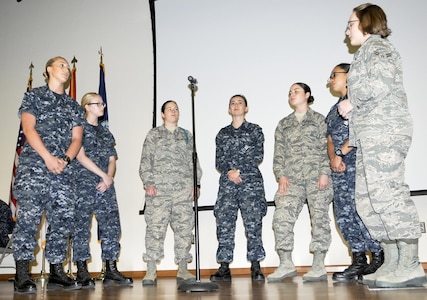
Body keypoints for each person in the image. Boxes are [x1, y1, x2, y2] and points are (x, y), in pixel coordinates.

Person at [338, 3, 426, 288]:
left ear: (365, 23)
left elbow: (381, 83)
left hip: (386, 132)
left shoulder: (378, 48)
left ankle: (411, 265)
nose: (347, 29)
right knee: (368, 200)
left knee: (388, 195)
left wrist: (353, 100)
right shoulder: (365, 53)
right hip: (370, 136)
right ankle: (392, 262)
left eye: (351, 23)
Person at [12, 56, 84, 293]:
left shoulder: (73, 106)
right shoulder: (33, 96)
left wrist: (64, 160)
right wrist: (47, 158)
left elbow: (76, 139)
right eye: (61, 64)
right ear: (49, 69)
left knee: (62, 221)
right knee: (29, 220)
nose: (66, 69)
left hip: (64, 173)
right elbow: (28, 128)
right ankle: (22, 274)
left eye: (67, 66)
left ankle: (56, 272)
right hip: (35, 169)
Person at [268, 83, 333, 283]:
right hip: (292, 180)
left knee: (320, 219)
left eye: (296, 91)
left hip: (317, 177)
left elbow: (328, 147)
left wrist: (324, 172)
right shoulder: (284, 124)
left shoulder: (320, 120)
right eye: (289, 92)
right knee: (281, 219)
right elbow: (278, 153)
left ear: (307, 94)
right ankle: (286, 263)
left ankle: (319, 265)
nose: (292, 94)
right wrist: (281, 175)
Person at [326, 63, 383, 282]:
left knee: (364, 212)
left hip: (359, 165)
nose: (331, 79)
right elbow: (330, 138)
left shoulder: (360, 101)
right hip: (339, 170)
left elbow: (361, 129)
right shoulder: (334, 109)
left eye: (334, 75)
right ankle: (359, 260)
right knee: (344, 215)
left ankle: (379, 259)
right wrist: (333, 157)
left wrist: (341, 152)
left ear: (349, 76)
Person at [71, 92, 133, 288]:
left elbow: (112, 160)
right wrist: (103, 175)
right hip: (83, 185)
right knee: (81, 227)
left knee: (111, 227)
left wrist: (109, 178)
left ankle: (111, 269)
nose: (102, 107)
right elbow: (80, 156)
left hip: (105, 186)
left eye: (103, 103)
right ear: (87, 106)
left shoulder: (106, 132)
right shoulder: (78, 128)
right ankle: (81, 270)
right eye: (97, 104)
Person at [139, 100, 202, 286]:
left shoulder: (186, 135)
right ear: (163, 114)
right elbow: (145, 161)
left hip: (183, 191)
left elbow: (194, 162)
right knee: (155, 229)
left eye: (176, 109)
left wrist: (195, 184)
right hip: (159, 192)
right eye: (169, 109)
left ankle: (183, 268)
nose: (173, 111)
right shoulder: (154, 135)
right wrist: (148, 183)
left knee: (184, 229)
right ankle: (151, 270)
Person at [210, 95, 267, 282]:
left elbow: (257, 155)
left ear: (246, 108)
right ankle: (224, 267)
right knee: (224, 224)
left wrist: (239, 170)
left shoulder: (255, 130)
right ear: (229, 109)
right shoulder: (222, 133)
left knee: (253, 224)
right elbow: (219, 160)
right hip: (228, 184)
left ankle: (256, 266)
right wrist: (230, 171)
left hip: (250, 183)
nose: (236, 106)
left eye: (239, 103)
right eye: (232, 103)